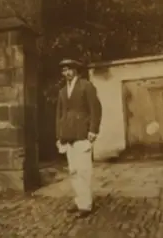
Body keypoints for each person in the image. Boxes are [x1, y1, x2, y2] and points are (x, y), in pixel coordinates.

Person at [55, 58, 102, 219]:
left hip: (82, 133)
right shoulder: (62, 91)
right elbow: (59, 115)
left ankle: (86, 204)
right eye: (63, 70)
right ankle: (78, 200)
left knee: (83, 170)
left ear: (75, 70)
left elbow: (95, 108)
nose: (66, 73)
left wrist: (93, 130)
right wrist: (59, 135)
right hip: (68, 135)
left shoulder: (86, 86)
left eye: (69, 69)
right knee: (73, 170)